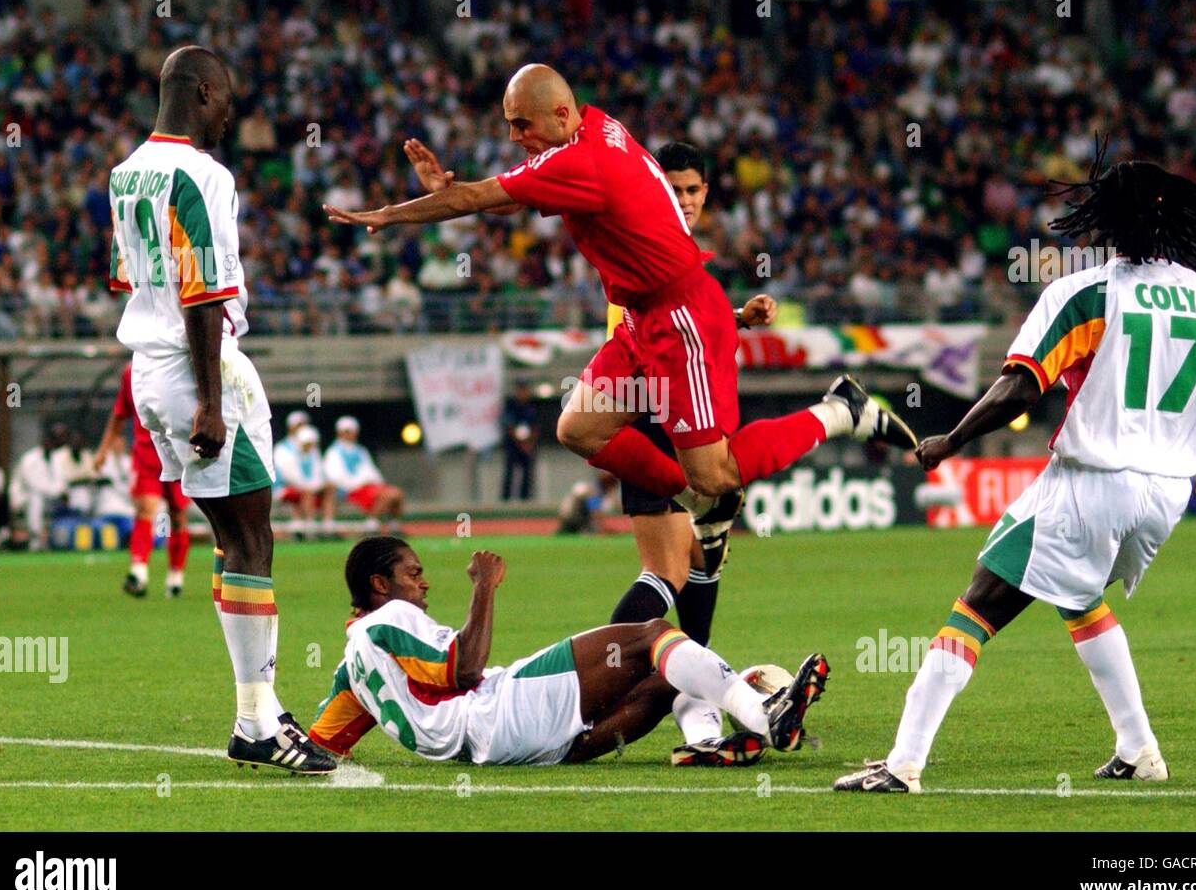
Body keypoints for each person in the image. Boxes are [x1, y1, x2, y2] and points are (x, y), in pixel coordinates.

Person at [323, 63, 916, 578]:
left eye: (520, 124)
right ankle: (699, 504)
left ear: (559, 114)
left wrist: (388, 214)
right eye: (508, 123)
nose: (513, 136)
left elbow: (478, 201)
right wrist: (461, 188)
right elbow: (504, 190)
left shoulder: (582, 161)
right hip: (644, 318)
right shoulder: (595, 127)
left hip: (681, 318)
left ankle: (840, 412)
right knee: (578, 429)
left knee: (719, 472)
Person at [834, 150, 1196, 794]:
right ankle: (1139, 748)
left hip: (1091, 483)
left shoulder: (1083, 293)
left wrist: (950, 439)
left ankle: (902, 764)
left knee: (978, 602)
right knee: (1076, 594)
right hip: (1166, 497)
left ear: (1106, 219)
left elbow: (1019, 388)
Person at [108, 45, 334, 773]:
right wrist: (211, 397)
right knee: (253, 541)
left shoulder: (125, 173)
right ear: (202, 91)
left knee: (227, 539)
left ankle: (260, 713)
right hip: (200, 372)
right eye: (227, 96)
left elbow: (130, 279)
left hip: (147, 367)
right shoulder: (202, 174)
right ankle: (254, 722)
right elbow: (204, 291)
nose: (231, 111)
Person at [307, 536, 829, 766]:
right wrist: (484, 585)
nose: (424, 585)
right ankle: (765, 716)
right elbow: (465, 671)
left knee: (666, 678)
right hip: (498, 708)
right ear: (380, 584)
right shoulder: (392, 619)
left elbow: (321, 746)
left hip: (517, 749)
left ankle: (707, 743)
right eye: (413, 574)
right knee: (651, 634)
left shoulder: (351, 668)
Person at [608, 141, 781, 766]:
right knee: (669, 573)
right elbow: (641, 339)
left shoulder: (676, 251)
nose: (684, 201)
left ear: (707, 193)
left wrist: (736, 317)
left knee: (706, 556)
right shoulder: (640, 239)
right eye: (673, 190)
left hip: (689, 418)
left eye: (693, 191)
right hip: (657, 422)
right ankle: (586, 682)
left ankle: (693, 697)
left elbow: (681, 326)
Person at [93, 362, 192, 598]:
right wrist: (103, 450)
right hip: (146, 454)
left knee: (177, 517)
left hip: (176, 453)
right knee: (146, 511)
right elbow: (119, 414)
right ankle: (138, 571)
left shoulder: (178, 365)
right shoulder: (131, 372)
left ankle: (175, 576)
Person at [324, 415, 404, 532]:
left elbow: (371, 471)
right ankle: (371, 525)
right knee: (390, 495)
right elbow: (335, 476)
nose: (350, 434)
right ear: (340, 433)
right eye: (346, 431)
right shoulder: (334, 452)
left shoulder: (361, 450)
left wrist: (374, 482)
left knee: (397, 494)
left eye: (351, 431)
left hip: (368, 487)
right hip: (351, 489)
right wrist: (359, 483)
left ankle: (393, 526)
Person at [9, 424, 69, 550]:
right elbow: (33, 484)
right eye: (46, 441)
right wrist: (54, 491)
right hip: (24, 497)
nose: (48, 444)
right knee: (36, 498)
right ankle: (35, 539)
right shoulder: (29, 458)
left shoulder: (57, 458)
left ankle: (60, 539)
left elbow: (61, 481)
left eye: (51, 442)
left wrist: (57, 491)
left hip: (50, 497)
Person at [274, 424, 335, 539]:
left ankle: (328, 526)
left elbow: (318, 476)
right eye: (307, 443)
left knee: (328, 489)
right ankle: (309, 528)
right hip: (285, 490)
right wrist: (313, 486)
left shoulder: (314, 455)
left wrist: (320, 485)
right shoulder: (290, 455)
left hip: (307, 489)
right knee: (307, 493)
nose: (310, 446)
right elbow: (293, 479)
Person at [500, 380, 540, 501]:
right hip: (513, 446)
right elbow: (509, 426)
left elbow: (535, 427)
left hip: (528, 445)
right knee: (509, 473)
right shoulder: (511, 406)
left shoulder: (531, 407)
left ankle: (525, 500)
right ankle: (505, 500)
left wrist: (529, 444)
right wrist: (521, 443)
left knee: (527, 474)